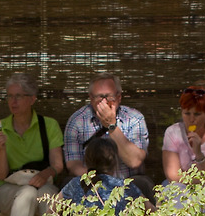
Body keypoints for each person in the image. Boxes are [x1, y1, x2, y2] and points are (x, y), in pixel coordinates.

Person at [0, 73, 64, 216]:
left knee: (47, 196)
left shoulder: (48, 125)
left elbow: (58, 165)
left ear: (32, 99)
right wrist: (2, 149)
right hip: (9, 189)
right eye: (9, 96)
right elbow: (0, 174)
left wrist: (45, 173)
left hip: (42, 183)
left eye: (18, 96)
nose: (12, 102)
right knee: (27, 194)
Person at [63, 73, 154, 201]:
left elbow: (135, 161)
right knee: (69, 185)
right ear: (91, 98)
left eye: (109, 97)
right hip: (91, 181)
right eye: (99, 97)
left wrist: (112, 126)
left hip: (128, 181)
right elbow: (73, 164)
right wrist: (101, 182)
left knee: (143, 184)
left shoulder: (134, 118)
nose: (104, 102)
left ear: (119, 97)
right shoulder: (77, 121)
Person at [58, 136, 144, 216]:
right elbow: (152, 213)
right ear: (115, 162)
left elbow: (51, 211)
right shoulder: (125, 187)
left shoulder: (75, 184)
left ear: (86, 161)